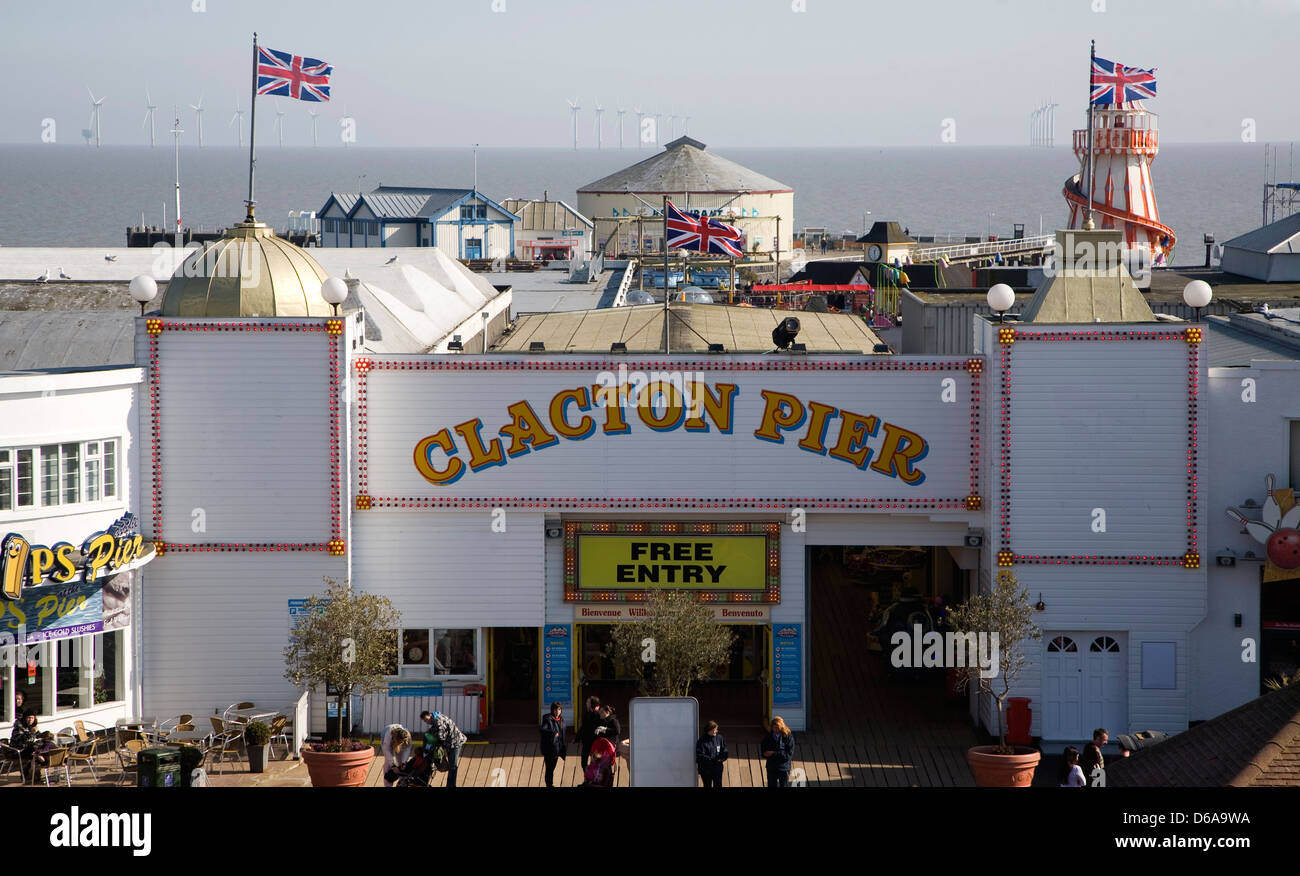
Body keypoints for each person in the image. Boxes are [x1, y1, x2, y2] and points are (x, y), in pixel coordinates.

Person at [420, 710, 466, 787]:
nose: (426, 722)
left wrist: (432, 745)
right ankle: (450, 784)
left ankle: (451, 785)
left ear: (429, 715)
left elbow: (441, 737)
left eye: (426, 720)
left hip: (455, 743)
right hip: (449, 743)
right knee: (451, 765)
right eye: (425, 721)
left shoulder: (438, 721)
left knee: (453, 766)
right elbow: (436, 730)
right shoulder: (436, 718)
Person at [761, 716, 795, 788]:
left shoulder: (788, 737)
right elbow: (763, 749)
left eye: (778, 728)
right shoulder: (768, 737)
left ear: (782, 727)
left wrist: (773, 753)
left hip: (783, 768)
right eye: (774, 728)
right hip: (771, 767)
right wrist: (765, 754)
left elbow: (788, 755)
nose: (776, 730)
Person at [539, 701, 566, 787]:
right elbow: (542, 730)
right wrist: (552, 732)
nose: (557, 711)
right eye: (555, 710)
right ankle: (549, 784)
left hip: (557, 749)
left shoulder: (561, 720)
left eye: (559, 709)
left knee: (552, 768)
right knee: (549, 769)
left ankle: (550, 784)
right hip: (549, 749)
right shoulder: (547, 719)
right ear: (552, 710)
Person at [695, 720, 728, 788]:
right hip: (706, 770)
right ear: (709, 730)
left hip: (717, 768)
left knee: (718, 785)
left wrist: (723, 757)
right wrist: (713, 760)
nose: (716, 731)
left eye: (716, 729)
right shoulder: (701, 741)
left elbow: (724, 749)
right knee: (707, 785)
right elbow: (700, 756)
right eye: (714, 730)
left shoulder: (719, 738)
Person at [575, 695, 601, 768]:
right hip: (586, 741)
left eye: (588, 702)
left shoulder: (597, 714)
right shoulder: (587, 713)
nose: (586, 703)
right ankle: (587, 777)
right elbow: (583, 727)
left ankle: (592, 777)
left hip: (594, 742)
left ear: (592, 704)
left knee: (595, 761)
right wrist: (577, 738)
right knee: (584, 762)